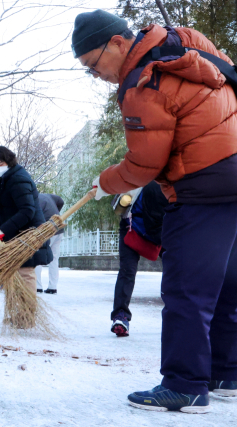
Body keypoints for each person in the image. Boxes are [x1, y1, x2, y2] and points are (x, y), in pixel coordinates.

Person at [73, 9, 237, 411]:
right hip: (234, 170)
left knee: (185, 289)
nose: (99, 76)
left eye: (94, 66)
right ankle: (226, 373)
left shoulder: (142, 84)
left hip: (201, 183)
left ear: (115, 43)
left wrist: (105, 182)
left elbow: (145, 165)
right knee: (226, 284)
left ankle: (185, 383)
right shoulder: (182, 40)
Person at [0, 146, 53, 296]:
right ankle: (16, 314)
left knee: (25, 272)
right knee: (13, 273)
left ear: (9, 161)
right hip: (17, 233)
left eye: (1, 164)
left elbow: (27, 210)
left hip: (27, 234)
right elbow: (10, 203)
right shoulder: (7, 179)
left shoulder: (18, 179)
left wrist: (3, 230)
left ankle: (26, 316)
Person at [111, 181, 167, 337]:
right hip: (132, 226)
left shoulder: (171, 189)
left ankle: (177, 316)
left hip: (161, 230)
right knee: (127, 270)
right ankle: (120, 316)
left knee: (175, 269)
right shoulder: (141, 180)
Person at [34, 193, 64, 294]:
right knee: (54, 258)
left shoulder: (34, 200)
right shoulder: (48, 196)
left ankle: (37, 286)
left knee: (38, 256)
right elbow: (61, 201)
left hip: (48, 230)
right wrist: (56, 213)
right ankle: (52, 287)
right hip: (59, 228)